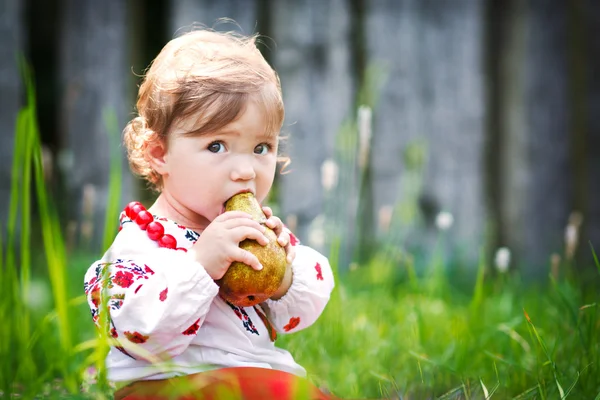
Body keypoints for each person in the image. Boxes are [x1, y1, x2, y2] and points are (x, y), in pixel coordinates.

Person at [83, 28, 336, 399]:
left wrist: (283, 276)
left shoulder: (258, 234)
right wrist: (200, 265)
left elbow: (307, 304)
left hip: (257, 380)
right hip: (168, 386)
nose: (246, 170)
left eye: (261, 147)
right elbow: (138, 333)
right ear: (159, 154)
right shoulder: (139, 247)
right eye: (217, 145)